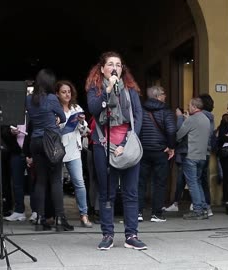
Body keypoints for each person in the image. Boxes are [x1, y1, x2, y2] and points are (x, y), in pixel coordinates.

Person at [86, 51, 146, 250]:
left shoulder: (131, 91)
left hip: (127, 145)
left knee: (130, 192)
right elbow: (95, 109)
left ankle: (132, 235)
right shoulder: (95, 90)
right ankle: (107, 234)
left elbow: (138, 116)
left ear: (122, 69)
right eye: (110, 64)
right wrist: (108, 89)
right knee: (106, 193)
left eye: (118, 65)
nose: (115, 67)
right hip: (103, 145)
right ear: (102, 69)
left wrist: (126, 143)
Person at [26, 68, 74, 232]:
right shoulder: (52, 98)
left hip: (35, 141)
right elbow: (62, 115)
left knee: (40, 180)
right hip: (51, 140)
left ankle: (40, 218)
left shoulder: (29, 99)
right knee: (55, 180)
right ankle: (60, 219)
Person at [56, 80, 92, 228]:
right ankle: (59, 215)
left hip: (73, 150)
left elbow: (85, 133)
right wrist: (57, 123)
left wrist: (82, 123)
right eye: (63, 92)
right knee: (57, 184)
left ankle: (84, 215)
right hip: (57, 150)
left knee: (79, 183)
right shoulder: (54, 108)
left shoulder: (76, 108)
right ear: (57, 94)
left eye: (69, 91)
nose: (67, 94)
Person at [138, 85, 176, 222]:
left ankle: (138, 213)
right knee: (159, 183)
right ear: (158, 96)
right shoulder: (166, 111)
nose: (165, 96)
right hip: (160, 151)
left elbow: (136, 128)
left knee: (140, 182)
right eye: (164, 94)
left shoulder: (141, 109)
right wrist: (171, 147)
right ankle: (156, 214)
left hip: (143, 151)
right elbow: (171, 130)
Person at [176, 97, 210, 220]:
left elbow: (179, 134)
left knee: (192, 184)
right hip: (202, 155)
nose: (188, 108)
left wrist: (181, 119)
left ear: (195, 107)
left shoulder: (192, 119)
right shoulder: (206, 119)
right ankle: (204, 208)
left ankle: (197, 210)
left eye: (189, 105)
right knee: (198, 181)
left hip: (191, 155)